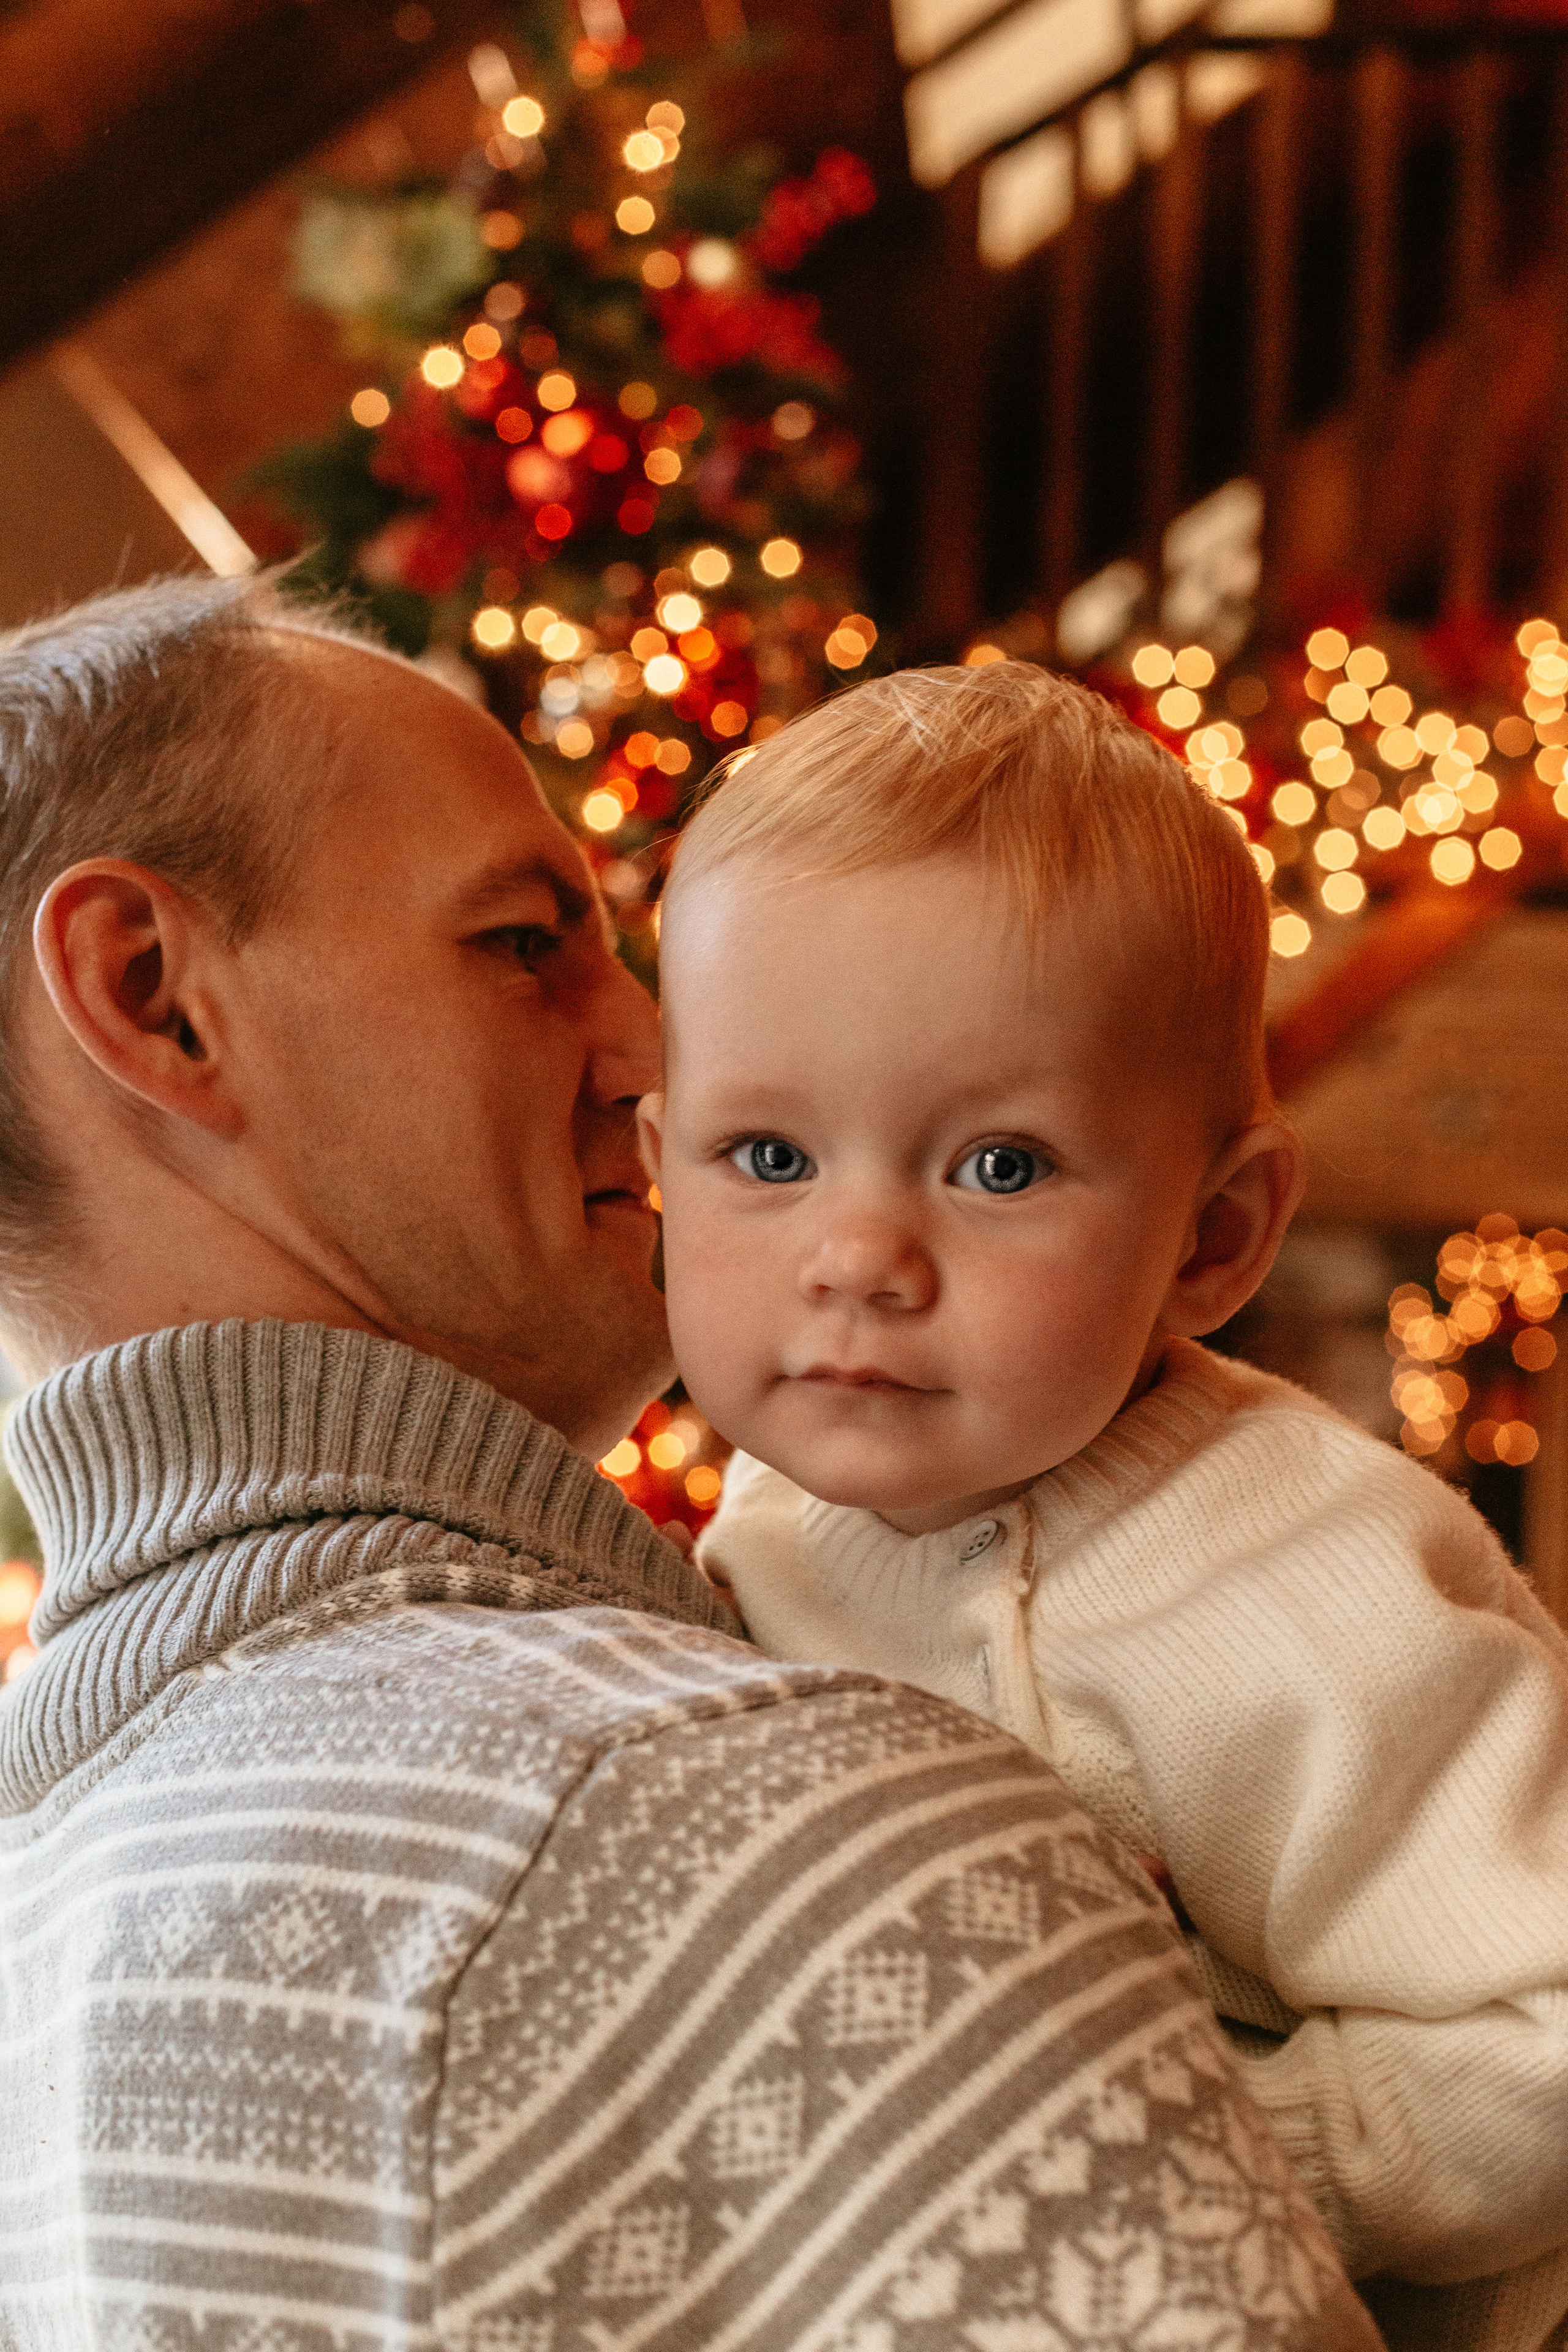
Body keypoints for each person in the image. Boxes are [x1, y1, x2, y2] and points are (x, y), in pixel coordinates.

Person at [0, 578, 1377, 2352]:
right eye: (526, 943)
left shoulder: (38, 1916)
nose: (661, 1059)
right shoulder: (779, 1832)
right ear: (157, 997)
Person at [641, 659, 1568, 2352]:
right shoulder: (753, 1538)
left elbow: (1548, 2031)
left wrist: (1188, 2153)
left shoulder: (1322, 1586)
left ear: (1216, 1237)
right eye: (769, 1158)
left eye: (998, 1167)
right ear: (657, 1167)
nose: (858, 1258)